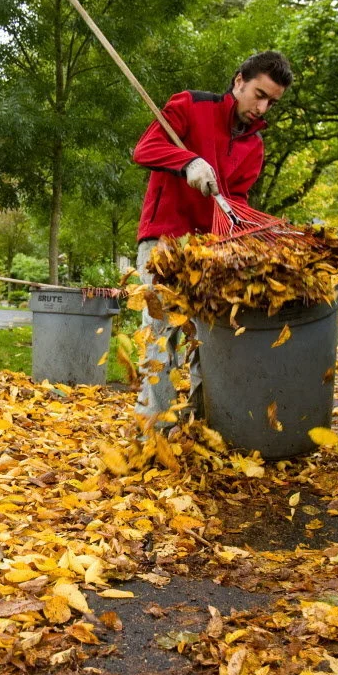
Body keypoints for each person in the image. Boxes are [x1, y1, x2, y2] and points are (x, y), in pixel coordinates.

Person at [131, 51, 294, 425]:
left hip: (213, 252)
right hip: (165, 242)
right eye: (259, 94)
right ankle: (155, 432)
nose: (263, 107)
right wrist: (187, 161)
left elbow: (237, 200)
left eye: (272, 101)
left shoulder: (254, 145)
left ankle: (204, 426)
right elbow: (145, 149)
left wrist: (241, 230)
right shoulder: (191, 105)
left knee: (211, 342)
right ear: (239, 81)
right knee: (161, 338)